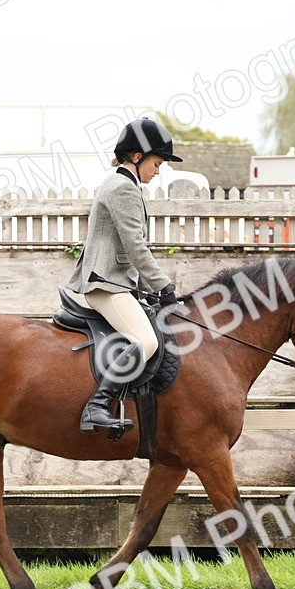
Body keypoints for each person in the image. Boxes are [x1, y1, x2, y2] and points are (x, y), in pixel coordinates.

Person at [65, 117, 180, 435]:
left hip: (115, 281)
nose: (157, 171)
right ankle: (97, 406)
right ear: (137, 156)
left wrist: (149, 291)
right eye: (156, 163)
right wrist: (164, 286)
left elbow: (127, 252)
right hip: (106, 285)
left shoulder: (121, 185)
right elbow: (135, 246)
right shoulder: (123, 188)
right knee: (146, 341)